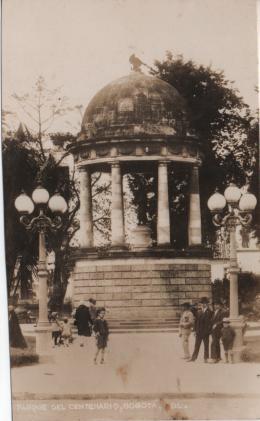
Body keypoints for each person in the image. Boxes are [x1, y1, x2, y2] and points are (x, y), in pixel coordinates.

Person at [188, 297, 213, 363]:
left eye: (205, 303)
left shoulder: (210, 312)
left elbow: (210, 323)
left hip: (205, 332)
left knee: (206, 346)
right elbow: (196, 322)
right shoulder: (198, 311)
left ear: (207, 304)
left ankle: (206, 358)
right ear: (201, 304)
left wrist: (209, 331)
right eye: (202, 303)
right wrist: (195, 330)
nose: (203, 304)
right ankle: (193, 358)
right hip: (199, 332)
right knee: (196, 345)